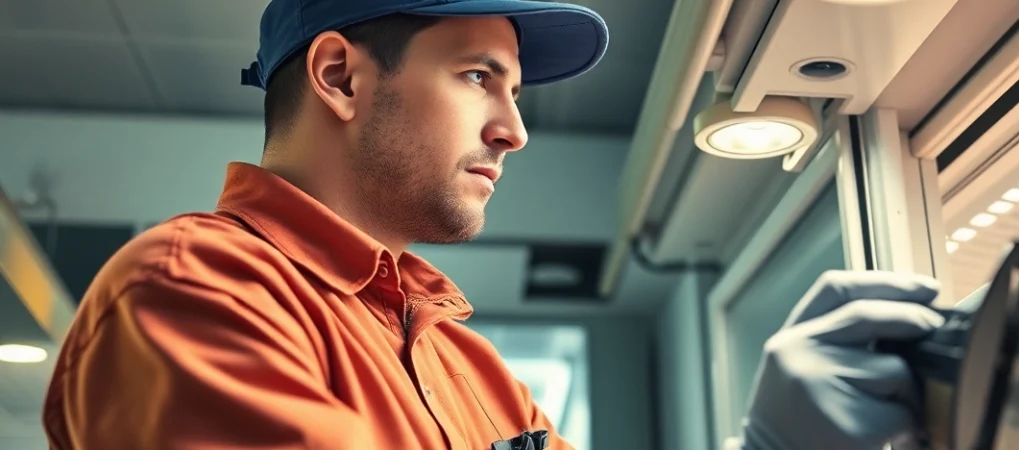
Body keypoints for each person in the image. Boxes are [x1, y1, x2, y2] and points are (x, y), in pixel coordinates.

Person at [39, 0, 945, 449]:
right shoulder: (190, 288)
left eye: (513, 89)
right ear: (340, 76)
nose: (514, 129)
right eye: (479, 77)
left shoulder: (462, 362)